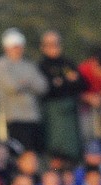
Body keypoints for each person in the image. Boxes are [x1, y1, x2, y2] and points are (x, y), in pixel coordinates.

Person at [0, 29, 48, 154]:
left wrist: (23, 83)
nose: (18, 50)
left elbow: (43, 86)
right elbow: (11, 86)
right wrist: (28, 83)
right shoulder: (2, 64)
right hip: (14, 117)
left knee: (35, 153)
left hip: (33, 117)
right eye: (15, 47)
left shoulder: (29, 65)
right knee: (20, 153)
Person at [38, 30, 83, 166]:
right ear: (43, 47)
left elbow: (79, 83)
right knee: (55, 154)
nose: (53, 47)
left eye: (56, 44)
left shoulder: (68, 63)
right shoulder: (42, 66)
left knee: (72, 153)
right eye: (49, 44)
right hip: (53, 115)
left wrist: (61, 82)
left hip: (69, 113)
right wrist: (65, 81)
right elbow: (47, 88)